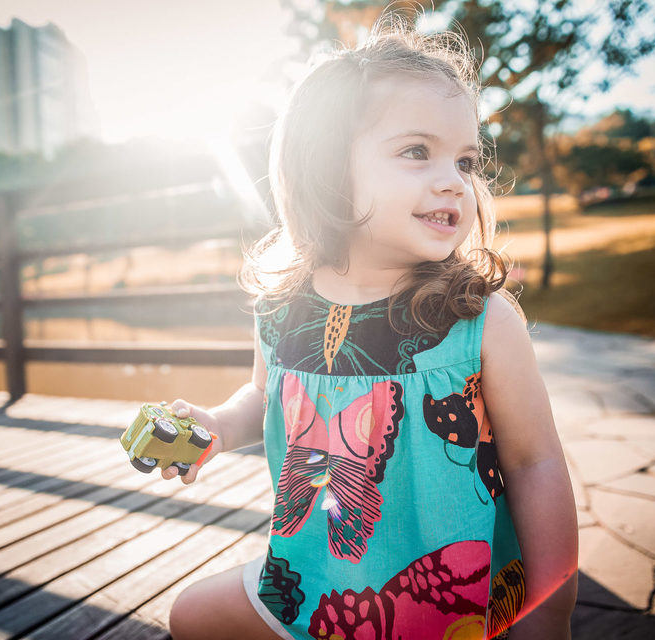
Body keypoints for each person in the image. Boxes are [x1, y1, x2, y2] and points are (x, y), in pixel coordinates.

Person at [162, 21, 578, 640]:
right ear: (326, 167)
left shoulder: (479, 320)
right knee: (190, 617)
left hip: (446, 606)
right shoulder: (281, 309)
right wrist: (218, 426)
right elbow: (264, 397)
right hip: (309, 583)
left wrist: (548, 613)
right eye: (417, 151)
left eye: (466, 161)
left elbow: (535, 464)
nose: (454, 181)